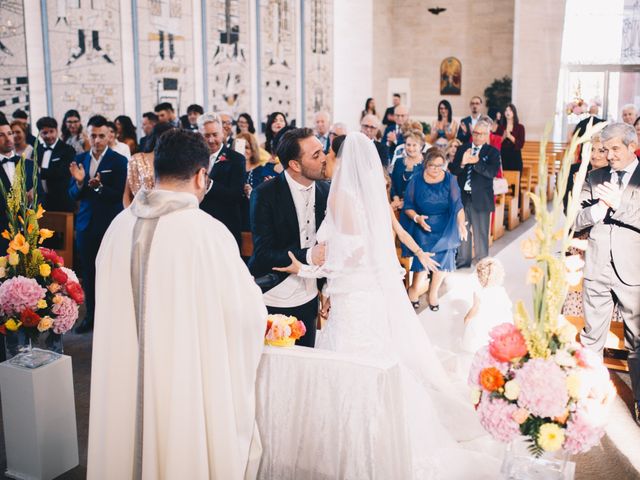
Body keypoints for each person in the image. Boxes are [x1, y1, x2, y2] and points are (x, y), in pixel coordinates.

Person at [272, 132, 498, 478]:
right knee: (379, 363)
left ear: (340, 157)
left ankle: (358, 449)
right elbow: (363, 253)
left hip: (353, 301)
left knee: (352, 368)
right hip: (366, 296)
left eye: (326, 153)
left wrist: (304, 267)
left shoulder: (340, 198)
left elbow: (347, 257)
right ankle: (392, 439)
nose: (325, 159)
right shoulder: (370, 197)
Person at [87, 129, 266, 479]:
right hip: (182, 385)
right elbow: (244, 316)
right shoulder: (207, 233)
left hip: (124, 385)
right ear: (202, 175)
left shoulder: (117, 228)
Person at [574, 122, 640, 425]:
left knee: (637, 340)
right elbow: (576, 221)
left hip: (633, 270)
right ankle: (588, 400)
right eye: (605, 148)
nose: (609, 154)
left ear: (631, 146)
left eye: (615, 148)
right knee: (591, 339)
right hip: (597, 267)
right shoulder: (594, 177)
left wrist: (618, 205)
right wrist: (598, 209)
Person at [248, 128, 329, 348]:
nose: (325, 159)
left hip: (309, 295)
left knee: (306, 366)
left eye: (322, 151)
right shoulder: (264, 194)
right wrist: (309, 255)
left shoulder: (326, 190)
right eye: (316, 155)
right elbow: (263, 253)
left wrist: (327, 288)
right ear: (295, 165)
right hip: (273, 297)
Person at [69, 115, 128, 333]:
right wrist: (79, 182)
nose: (97, 140)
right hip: (85, 225)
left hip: (110, 225)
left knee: (112, 272)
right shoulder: (81, 159)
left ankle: (112, 317)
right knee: (89, 272)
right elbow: (73, 195)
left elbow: (117, 195)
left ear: (110, 136)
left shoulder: (119, 161)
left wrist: (98, 187)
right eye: (93, 135)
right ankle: (91, 315)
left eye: (101, 136)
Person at [402, 148, 467, 310]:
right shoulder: (416, 180)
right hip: (423, 224)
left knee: (443, 257)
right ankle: (414, 289)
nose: (436, 169)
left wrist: (461, 224)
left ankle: (433, 292)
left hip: (445, 225)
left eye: (440, 166)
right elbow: (408, 206)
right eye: (432, 166)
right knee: (425, 257)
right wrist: (417, 217)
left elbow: (458, 204)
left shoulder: (450, 180)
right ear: (425, 164)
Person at [449, 119, 500, 268]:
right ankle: (463, 260)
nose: (477, 136)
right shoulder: (463, 148)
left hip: (481, 198)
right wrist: (463, 163)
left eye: (481, 134)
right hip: (463, 197)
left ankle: (482, 263)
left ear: (486, 135)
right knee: (463, 230)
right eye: (475, 133)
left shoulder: (492, 152)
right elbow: (454, 169)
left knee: (481, 233)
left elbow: (492, 172)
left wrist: (476, 162)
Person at [198, 112, 245, 245]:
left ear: (223, 133)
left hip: (226, 226)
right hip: (200, 227)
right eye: (206, 135)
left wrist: (210, 185)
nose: (211, 140)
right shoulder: (193, 158)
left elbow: (236, 195)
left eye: (214, 134)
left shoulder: (236, 159)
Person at [462, 257, 512, 353]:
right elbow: (506, 308)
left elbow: (475, 309)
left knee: (474, 328)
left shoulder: (479, 293)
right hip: (497, 323)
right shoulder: (501, 291)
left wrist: (467, 318)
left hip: (483, 324)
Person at [123, 122, 175, 207]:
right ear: (157, 137)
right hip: (139, 211)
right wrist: (129, 214)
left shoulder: (176, 161)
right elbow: (127, 194)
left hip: (168, 211)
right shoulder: (137, 159)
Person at [238, 132, 279, 229]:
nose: (243, 151)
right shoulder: (231, 170)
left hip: (255, 223)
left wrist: (252, 193)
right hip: (236, 221)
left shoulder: (263, 170)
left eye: (247, 147)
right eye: (240, 147)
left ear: (253, 150)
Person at [35, 116, 76, 212]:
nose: (48, 136)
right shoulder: (37, 149)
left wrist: (39, 171)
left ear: (57, 131)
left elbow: (63, 172)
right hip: (42, 201)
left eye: (51, 131)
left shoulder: (67, 149)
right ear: (39, 134)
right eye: (44, 133)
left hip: (62, 200)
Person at [390, 130, 424, 210]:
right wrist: (395, 198)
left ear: (421, 147)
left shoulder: (425, 165)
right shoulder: (398, 162)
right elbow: (392, 182)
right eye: (408, 145)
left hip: (417, 208)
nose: (411, 148)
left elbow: (425, 190)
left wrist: (406, 202)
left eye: (414, 145)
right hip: (397, 204)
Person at [495, 104, 525, 172]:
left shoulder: (520, 127)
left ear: (514, 112)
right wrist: (503, 137)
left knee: (515, 181)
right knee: (502, 181)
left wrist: (510, 136)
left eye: (510, 110)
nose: (508, 112)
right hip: (503, 157)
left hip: (515, 157)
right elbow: (496, 143)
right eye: (506, 110)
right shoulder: (500, 127)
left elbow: (521, 144)